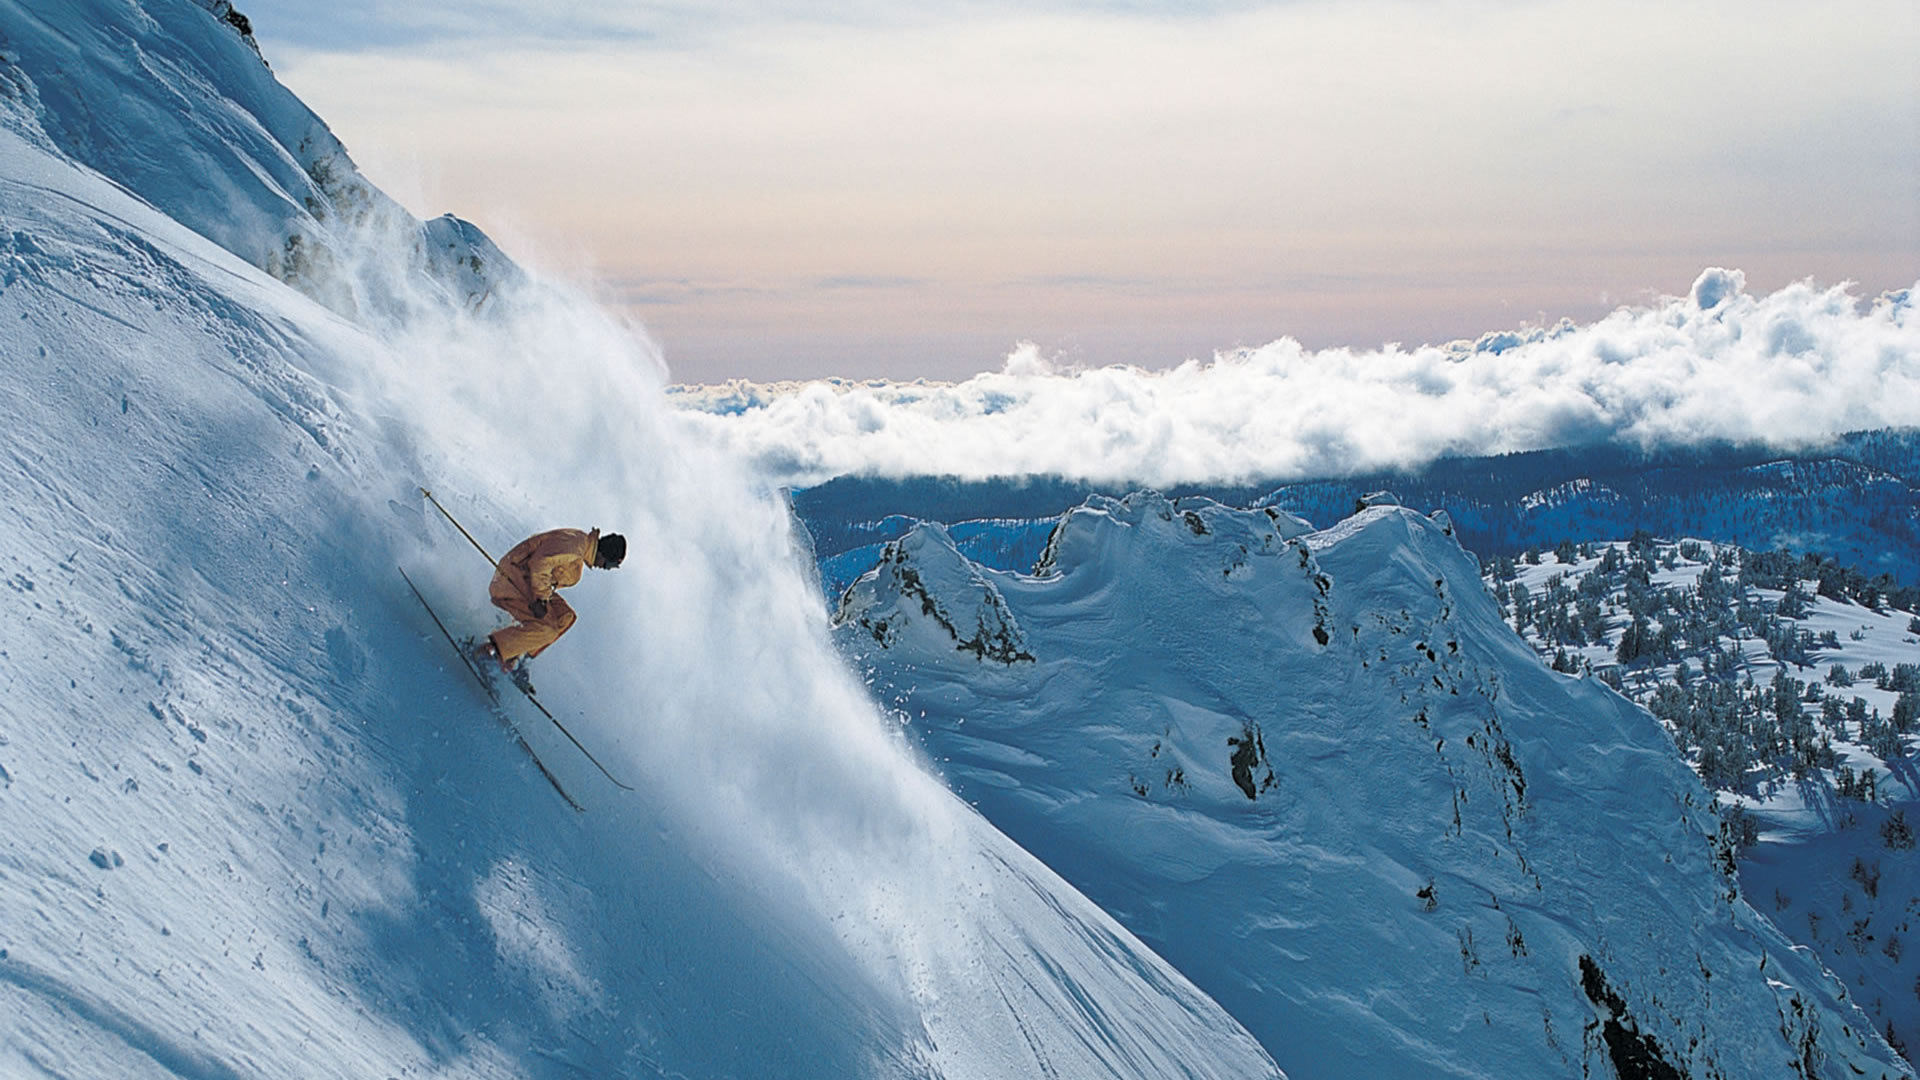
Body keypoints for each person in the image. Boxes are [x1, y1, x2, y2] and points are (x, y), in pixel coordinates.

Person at [475, 527, 626, 678]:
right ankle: (488, 651)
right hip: (511, 577)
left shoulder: (580, 550)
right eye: (609, 565)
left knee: (565, 616)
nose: (606, 569)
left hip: (526, 581)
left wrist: (542, 598)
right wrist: (541, 598)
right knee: (547, 629)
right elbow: (540, 562)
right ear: (604, 554)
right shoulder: (575, 547)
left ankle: (515, 656)